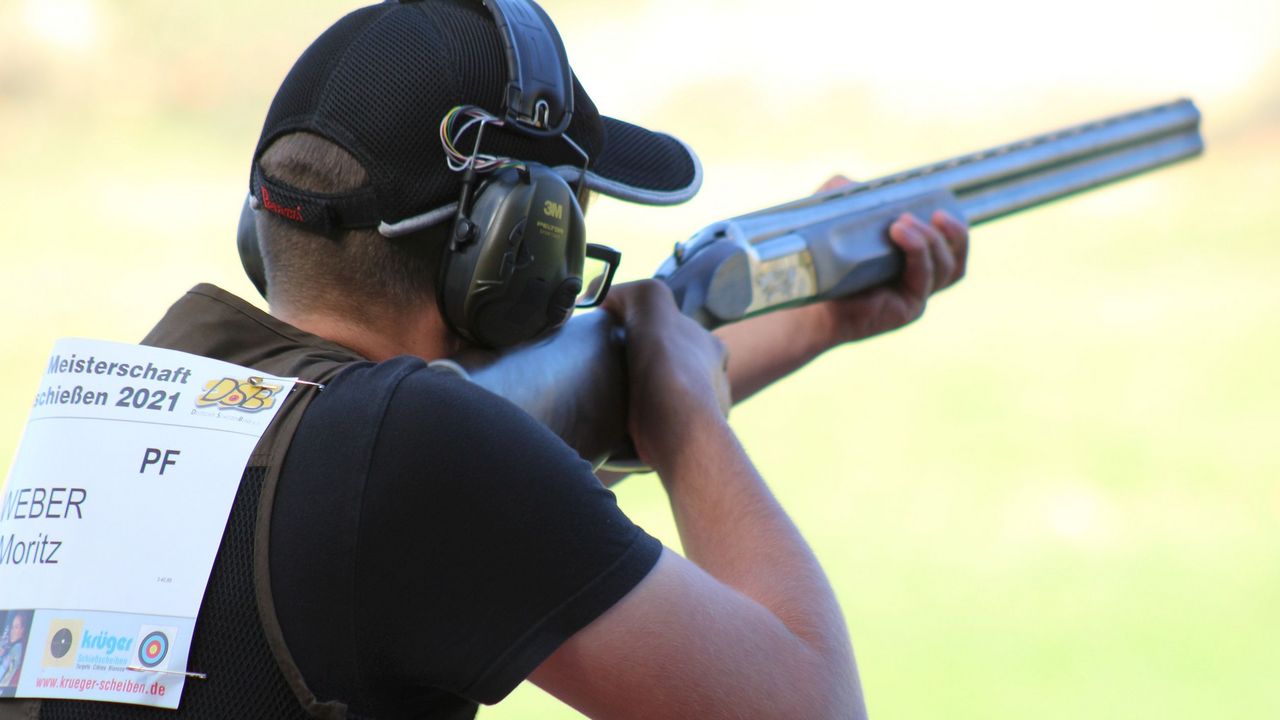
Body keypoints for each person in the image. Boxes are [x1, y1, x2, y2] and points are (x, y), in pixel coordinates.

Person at [10, 1, 967, 718]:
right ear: (512, 249)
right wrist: (690, 420)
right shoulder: (416, 451)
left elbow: (535, 451)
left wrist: (806, 321)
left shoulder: (147, 400)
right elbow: (809, 706)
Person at [0, 612, 27, 689]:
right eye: (12, 627)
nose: (12, 631)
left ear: (22, 630)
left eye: (16, 627)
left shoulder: (17, 649)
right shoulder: (10, 647)